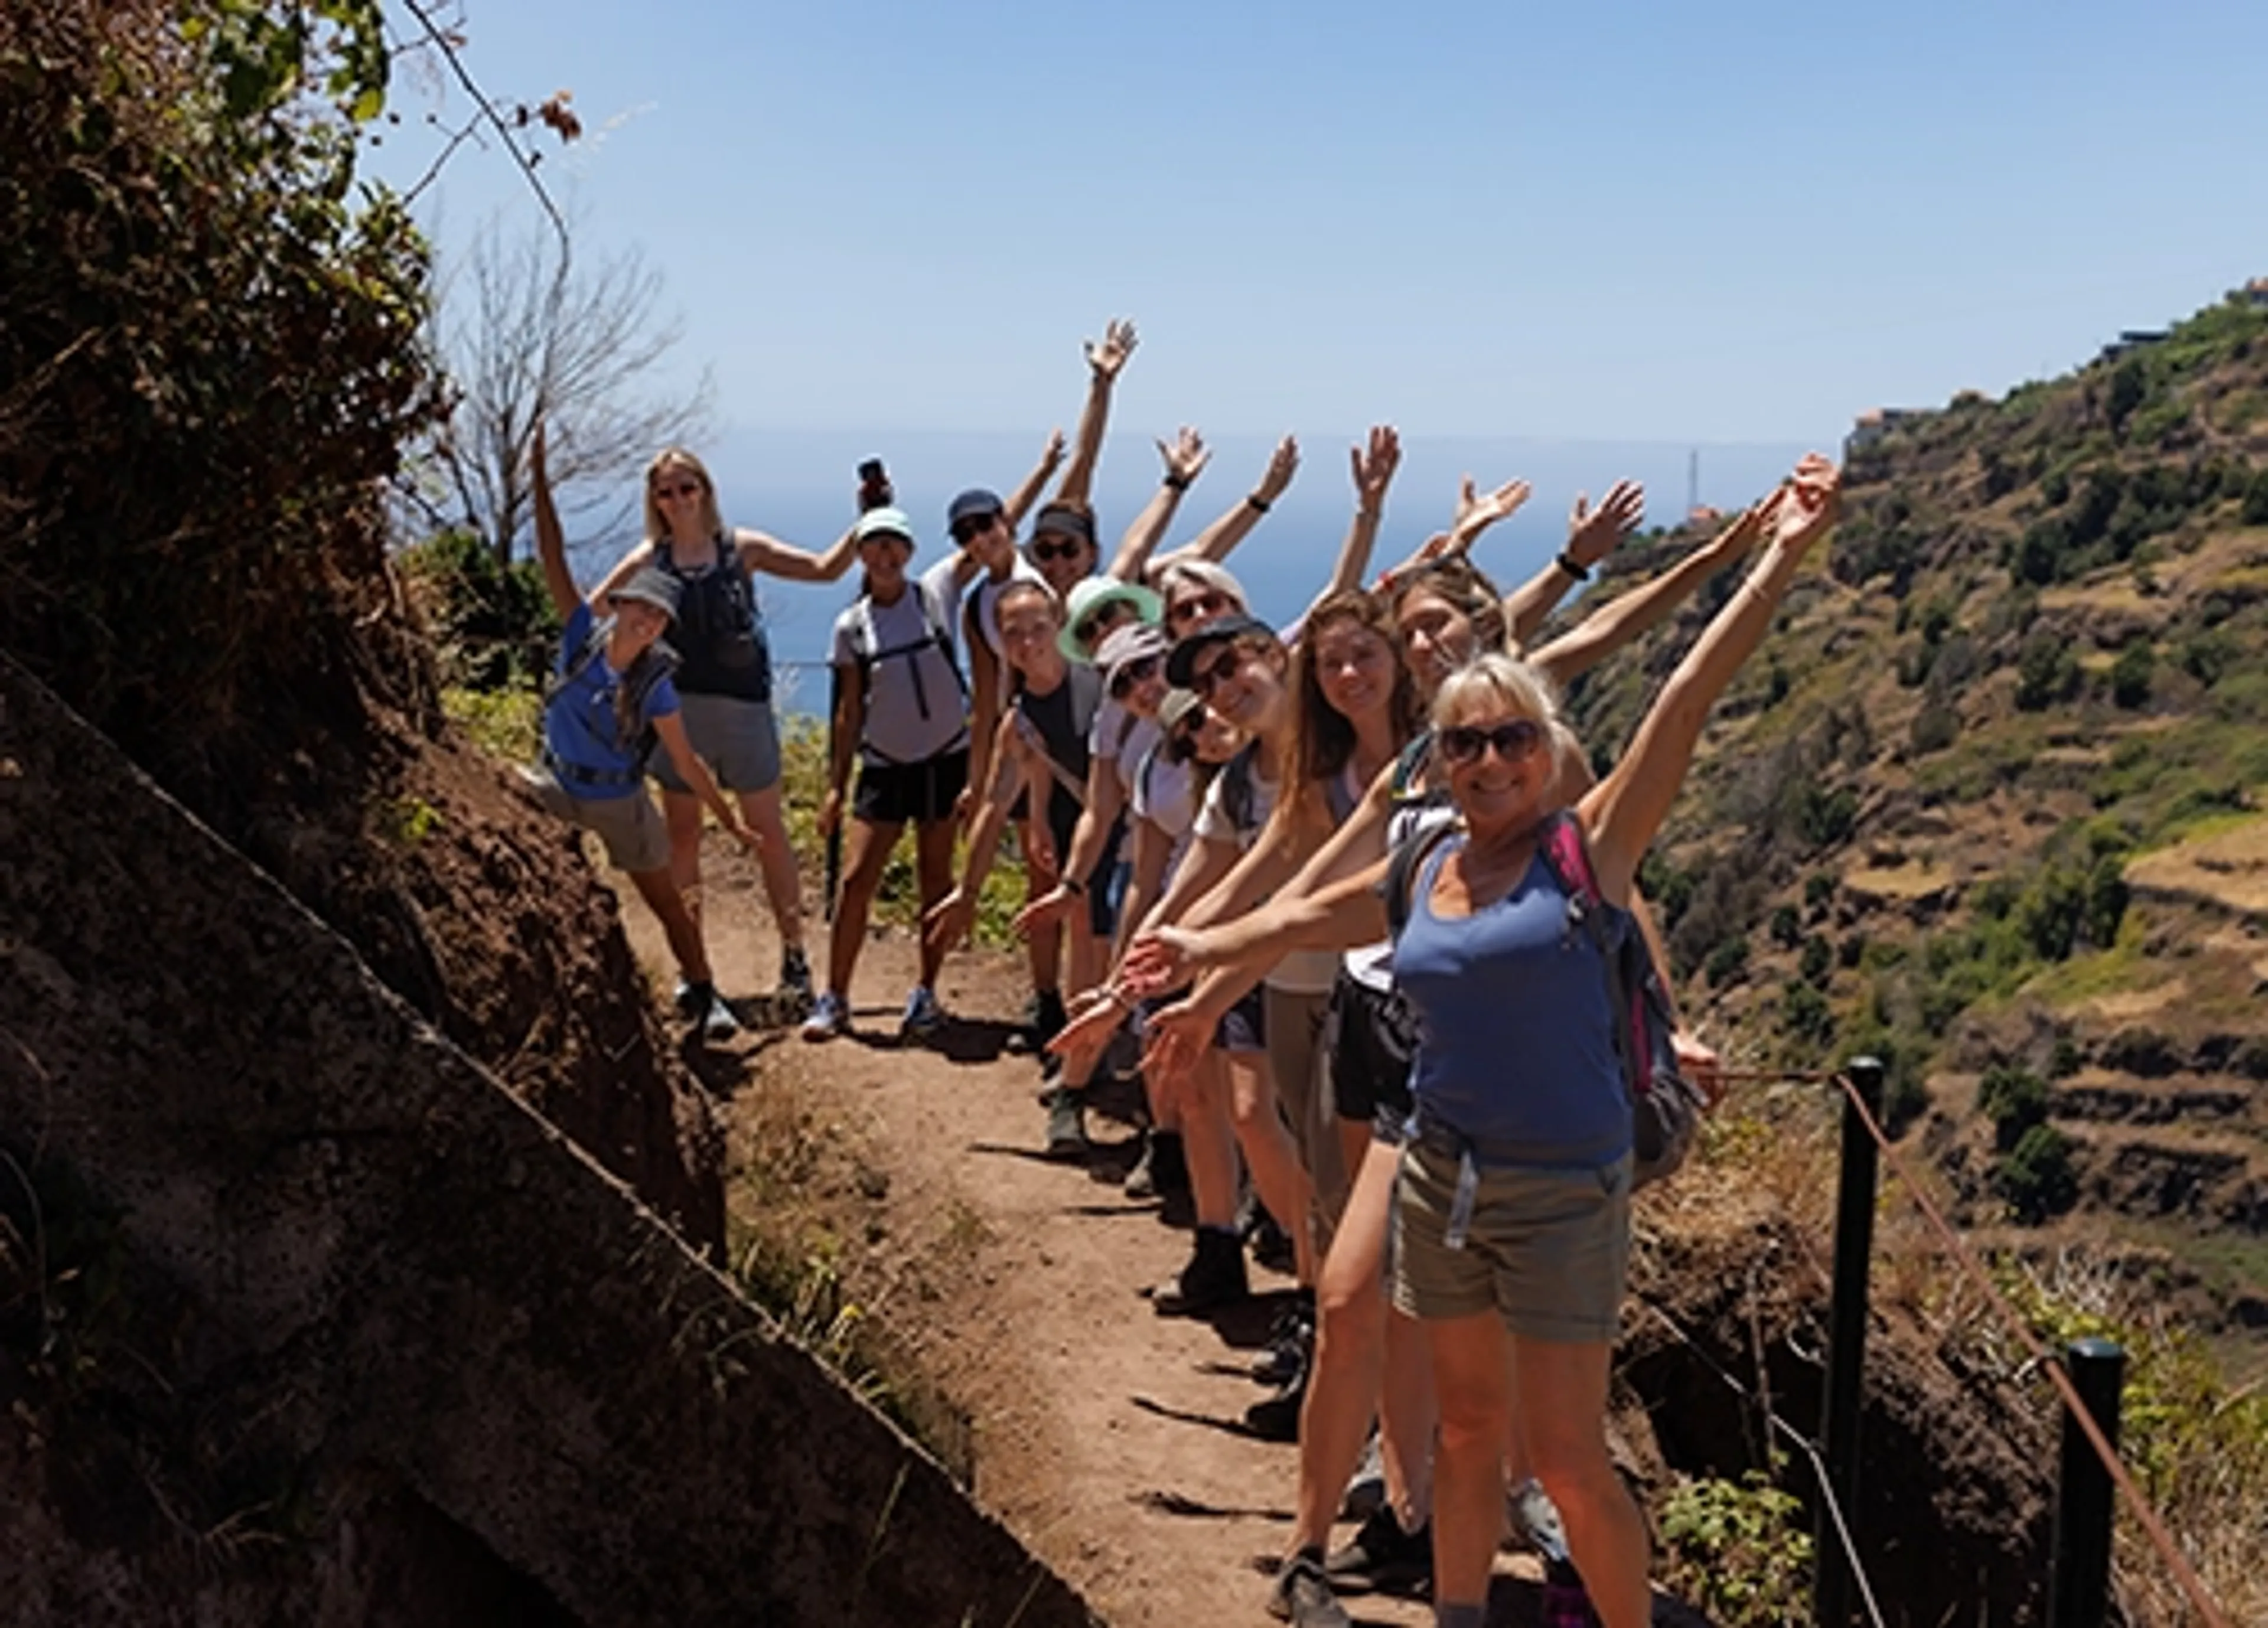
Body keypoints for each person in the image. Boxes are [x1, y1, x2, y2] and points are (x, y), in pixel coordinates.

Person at [1136, 457, 1840, 1628]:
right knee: (1465, 1432)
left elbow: (1686, 696)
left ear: (1545, 744)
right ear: (1444, 757)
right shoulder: (1429, 864)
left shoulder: (1586, 852)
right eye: (1466, 746)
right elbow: (1316, 909)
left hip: (1564, 1192)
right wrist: (1199, 950)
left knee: (1565, 1458)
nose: (1490, 761)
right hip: (1441, 1179)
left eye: (1513, 739)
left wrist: (1775, 557)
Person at [582, 443, 864, 1015]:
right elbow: (592, 612)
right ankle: (695, 969)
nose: (678, 499)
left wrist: (865, 521)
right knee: (683, 838)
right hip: (676, 715)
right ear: (654, 501)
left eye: (688, 487)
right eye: (667, 491)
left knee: (767, 833)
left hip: (744, 713)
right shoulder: (649, 562)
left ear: (706, 490)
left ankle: (794, 958)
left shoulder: (742, 550)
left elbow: (823, 570)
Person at [523, 423, 768, 1040]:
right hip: (559, 785)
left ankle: (705, 989)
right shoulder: (582, 635)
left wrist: (731, 822)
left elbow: (687, 764)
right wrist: (538, 481)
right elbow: (552, 555)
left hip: (621, 800)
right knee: (511, 810)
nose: (647, 619)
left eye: (659, 615)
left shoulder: (658, 681)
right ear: (623, 603)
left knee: (666, 902)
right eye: (641, 607)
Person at [804, 507, 973, 1042]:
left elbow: (992, 537)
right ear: (859, 554)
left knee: (936, 880)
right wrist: (835, 787)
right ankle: (835, 998)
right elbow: (849, 711)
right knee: (855, 882)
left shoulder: (936, 593)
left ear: (910, 551)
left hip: (948, 758)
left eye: (894, 543)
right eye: (874, 544)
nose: (885, 554)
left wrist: (1047, 469)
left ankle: (925, 993)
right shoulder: (851, 626)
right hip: (885, 764)